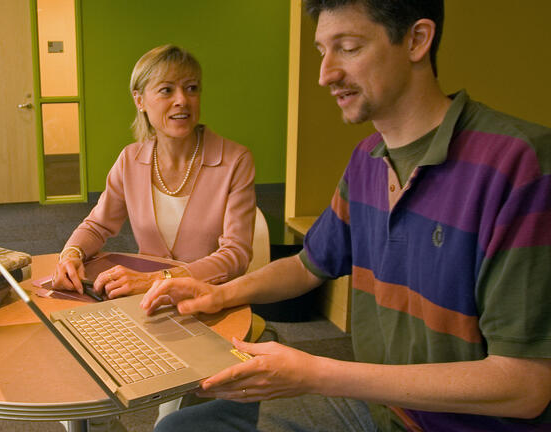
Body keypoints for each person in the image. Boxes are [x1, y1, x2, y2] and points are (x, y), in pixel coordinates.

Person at [142, 1, 551, 431]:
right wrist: (218, 293)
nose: (326, 75)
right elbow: (306, 265)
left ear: (416, 40)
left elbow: (524, 386)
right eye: (322, 52)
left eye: (349, 48)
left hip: (464, 425)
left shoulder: (520, 164)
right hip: (380, 405)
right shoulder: (366, 158)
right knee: (179, 427)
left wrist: (315, 373)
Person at [51, 44, 256, 300]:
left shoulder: (235, 160)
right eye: (166, 90)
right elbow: (97, 225)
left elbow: (236, 255)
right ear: (140, 100)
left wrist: (156, 280)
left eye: (191, 88)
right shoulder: (130, 159)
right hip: (147, 299)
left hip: (210, 299)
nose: (182, 100)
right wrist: (71, 254)